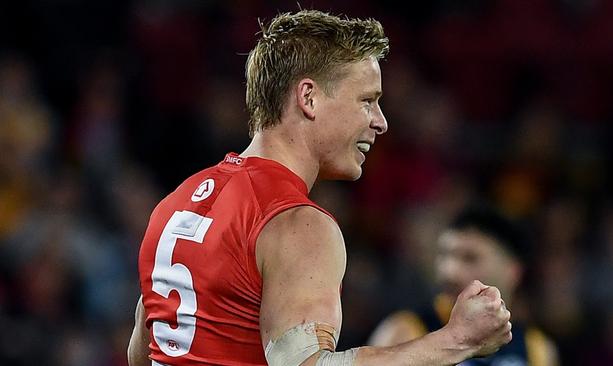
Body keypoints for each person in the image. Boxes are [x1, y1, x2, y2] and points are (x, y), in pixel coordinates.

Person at [128, 9, 512, 366]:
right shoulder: (298, 224)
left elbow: (141, 354)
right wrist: (459, 339)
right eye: (367, 101)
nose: (380, 122)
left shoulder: (174, 204)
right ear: (308, 97)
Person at [369, 204, 559, 365]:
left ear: (513, 271)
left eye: (470, 258)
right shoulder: (405, 331)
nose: (449, 272)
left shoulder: (536, 348)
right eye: (445, 255)